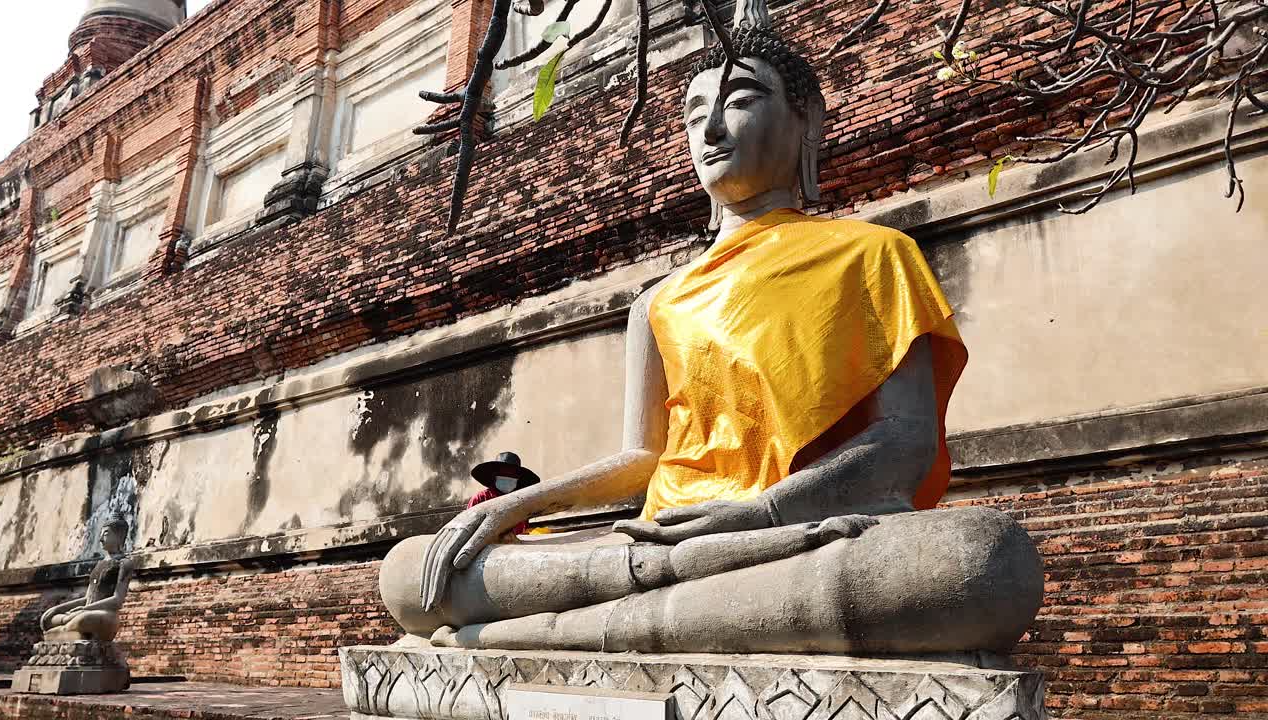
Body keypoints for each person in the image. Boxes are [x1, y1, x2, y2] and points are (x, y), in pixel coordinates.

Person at [376, 0, 1043, 655]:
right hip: (655, 543)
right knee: (415, 574)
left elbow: (906, 444)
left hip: (785, 536)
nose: (711, 132)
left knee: (975, 564)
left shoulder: (870, 254)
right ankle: (623, 612)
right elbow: (645, 459)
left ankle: (537, 631)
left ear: (807, 122)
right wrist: (519, 506)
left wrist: (762, 513)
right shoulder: (660, 302)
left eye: (739, 101)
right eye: (694, 114)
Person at [39, 517, 135, 643]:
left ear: (118, 536)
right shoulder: (100, 564)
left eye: (106, 534)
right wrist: (58, 609)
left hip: (106, 615)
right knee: (46, 619)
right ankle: (65, 628)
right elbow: (87, 598)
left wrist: (85, 609)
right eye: (100, 534)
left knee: (81, 619)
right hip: (85, 611)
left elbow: (117, 600)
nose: (100, 539)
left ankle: (61, 632)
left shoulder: (124, 563)